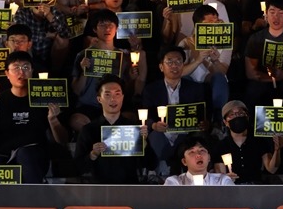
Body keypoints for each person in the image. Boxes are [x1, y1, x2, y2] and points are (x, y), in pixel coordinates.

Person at [0, 51, 67, 183]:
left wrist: (53, 120)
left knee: (25, 154)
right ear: (7, 73)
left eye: (25, 67)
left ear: (32, 71)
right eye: (16, 68)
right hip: (4, 156)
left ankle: (34, 197)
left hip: (34, 156)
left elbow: (62, 140)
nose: (21, 72)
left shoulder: (44, 100)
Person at [142, 46, 208, 176]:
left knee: (196, 140)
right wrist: (154, 125)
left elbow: (203, 117)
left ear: (183, 65)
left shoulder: (196, 89)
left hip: (185, 133)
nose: (174, 65)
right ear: (161, 67)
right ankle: (157, 169)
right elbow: (145, 116)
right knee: (152, 137)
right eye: (170, 61)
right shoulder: (151, 89)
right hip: (161, 133)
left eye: (178, 62)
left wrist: (204, 124)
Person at [74, 74, 152, 184]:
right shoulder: (89, 130)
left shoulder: (133, 128)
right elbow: (78, 168)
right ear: (99, 99)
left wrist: (144, 145)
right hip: (100, 189)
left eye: (117, 94)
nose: (113, 99)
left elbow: (151, 164)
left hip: (130, 188)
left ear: (123, 97)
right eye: (107, 94)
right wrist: (93, 154)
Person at [212, 100, 280, 184]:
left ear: (247, 117)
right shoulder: (221, 146)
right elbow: (220, 177)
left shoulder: (259, 141)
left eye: (241, 113)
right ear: (225, 122)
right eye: (232, 115)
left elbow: (272, 169)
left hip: (256, 187)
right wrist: (226, 178)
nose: (237, 117)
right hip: (233, 189)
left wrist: (277, 150)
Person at [164, 133, 234, 186]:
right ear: (184, 161)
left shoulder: (222, 181)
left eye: (202, 150)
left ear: (209, 157)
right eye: (192, 152)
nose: (198, 155)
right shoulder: (174, 183)